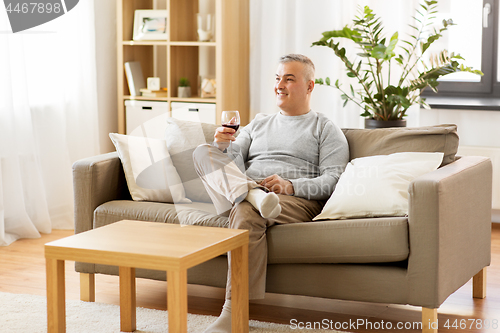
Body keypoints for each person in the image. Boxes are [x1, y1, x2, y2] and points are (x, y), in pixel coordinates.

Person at [193, 54, 349, 333]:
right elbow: (233, 163)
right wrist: (221, 147)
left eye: (289, 78)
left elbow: (334, 179)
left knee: (245, 211)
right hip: (247, 193)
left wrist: (291, 186)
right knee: (202, 151)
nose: (280, 85)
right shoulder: (258, 124)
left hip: (292, 201)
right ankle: (251, 194)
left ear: (310, 86)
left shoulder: (325, 128)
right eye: (278, 78)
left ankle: (233, 313)